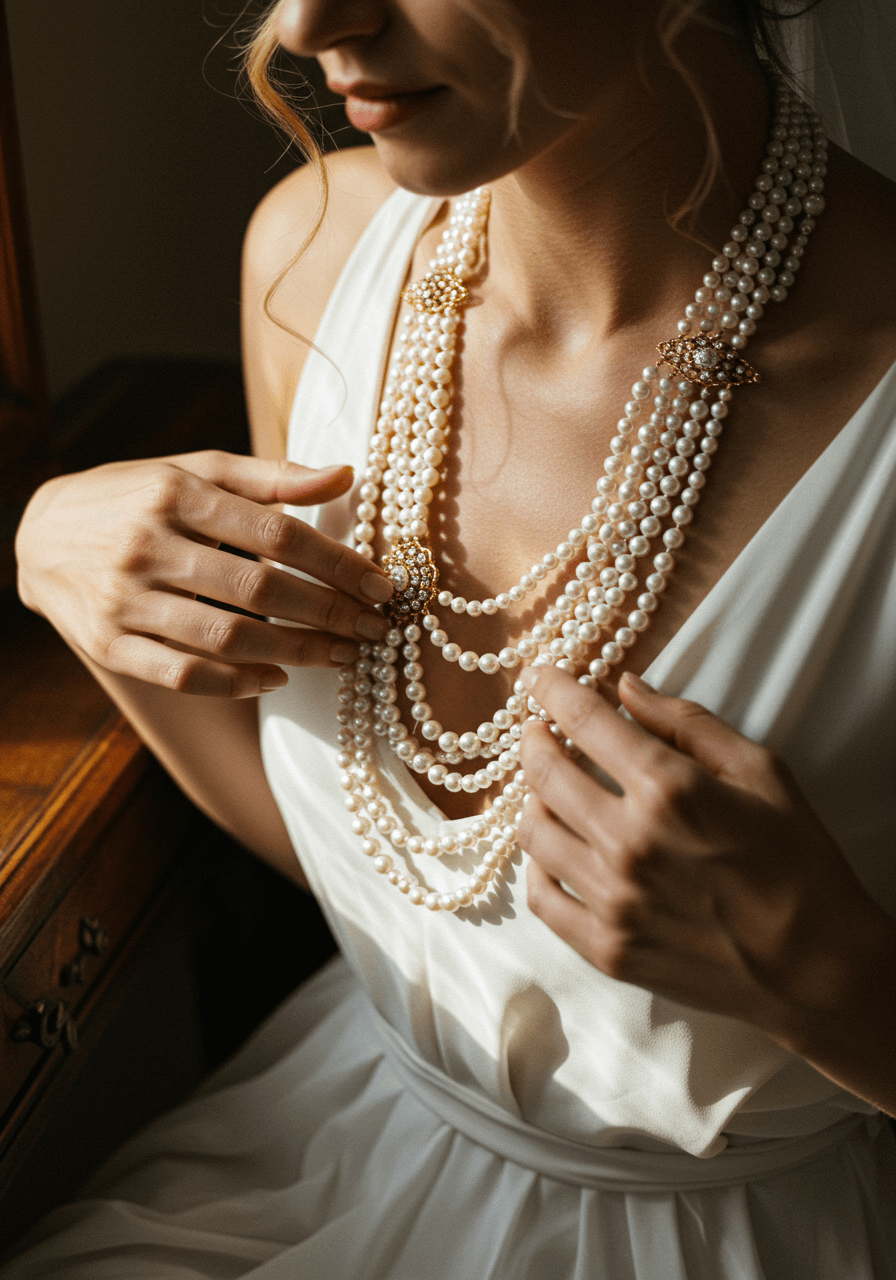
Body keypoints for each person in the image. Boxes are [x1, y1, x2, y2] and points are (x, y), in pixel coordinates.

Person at [6, 0, 896, 1275]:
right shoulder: (312, 261)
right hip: (339, 1154)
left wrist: (833, 979)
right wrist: (53, 555)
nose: (310, 24)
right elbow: (410, 890)